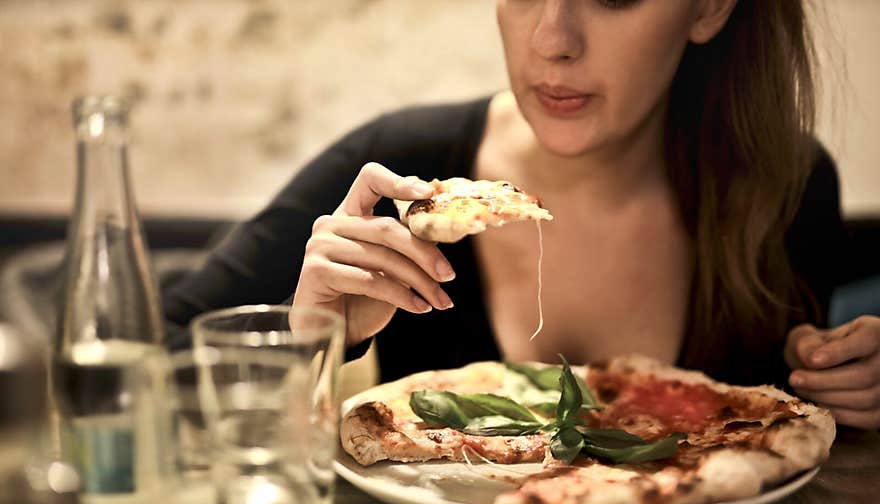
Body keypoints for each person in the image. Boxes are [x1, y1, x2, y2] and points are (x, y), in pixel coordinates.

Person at [165, 0, 880, 429]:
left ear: (709, 7)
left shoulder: (786, 184)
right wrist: (305, 345)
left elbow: (791, 441)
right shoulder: (397, 168)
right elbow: (134, 366)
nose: (551, 40)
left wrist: (844, 380)